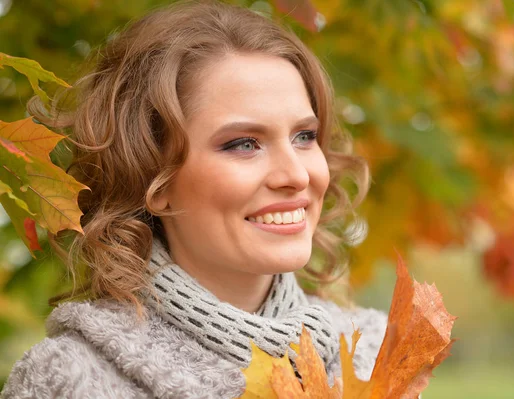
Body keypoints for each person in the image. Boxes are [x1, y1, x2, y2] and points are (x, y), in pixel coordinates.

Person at [1, 1, 388, 397]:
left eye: (304, 137)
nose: (296, 175)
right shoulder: (71, 380)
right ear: (156, 179)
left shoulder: (378, 353)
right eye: (243, 144)